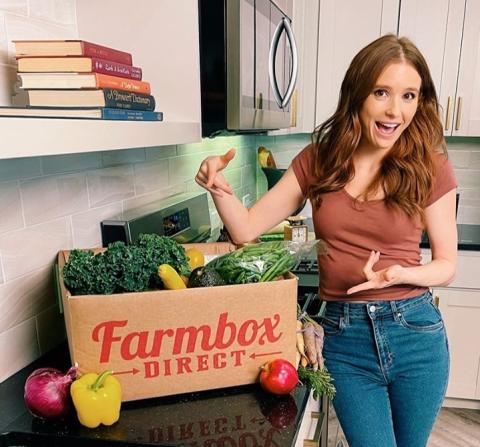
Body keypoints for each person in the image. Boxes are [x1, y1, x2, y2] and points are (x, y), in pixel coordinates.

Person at [195, 34, 457, 447]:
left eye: (409, 96)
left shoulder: (430, 165)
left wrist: (398, 273)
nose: (395, 111)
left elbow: (446, 263)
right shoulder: (318, 160)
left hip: (415, 332)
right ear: (358, 94)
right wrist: (218, 186)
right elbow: (245, 230)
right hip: (345, 339)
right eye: (382, 93)